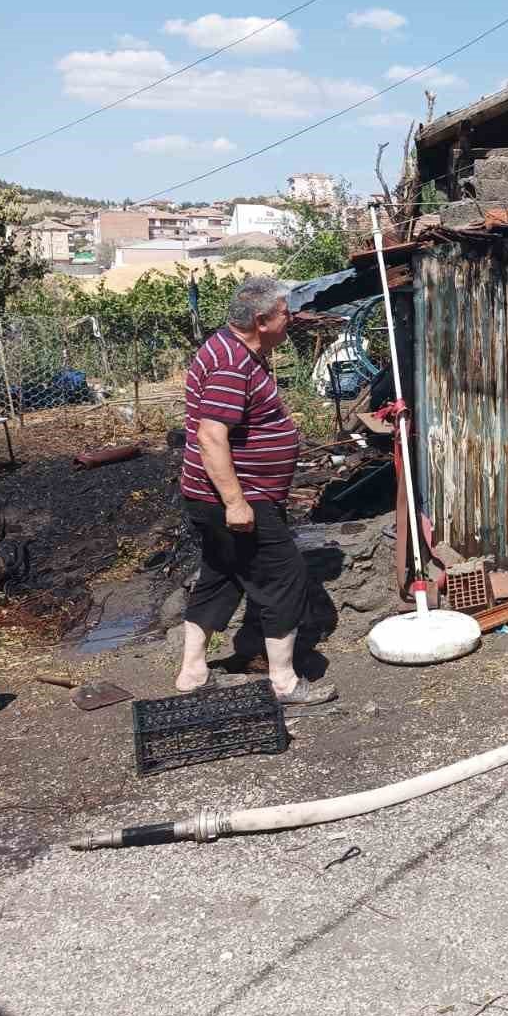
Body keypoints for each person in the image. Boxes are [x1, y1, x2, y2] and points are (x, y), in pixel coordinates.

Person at [177, 276, 336, 706]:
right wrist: (236, 502)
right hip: (236, 499)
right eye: (286, 313)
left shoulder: (239, 351)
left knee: (221, 576)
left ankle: (192, 673)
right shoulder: (232, 362)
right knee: (285, 579)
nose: (292, 319)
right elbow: (212, 436)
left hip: (216, 497)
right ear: (262, 319)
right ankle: (284, 682)